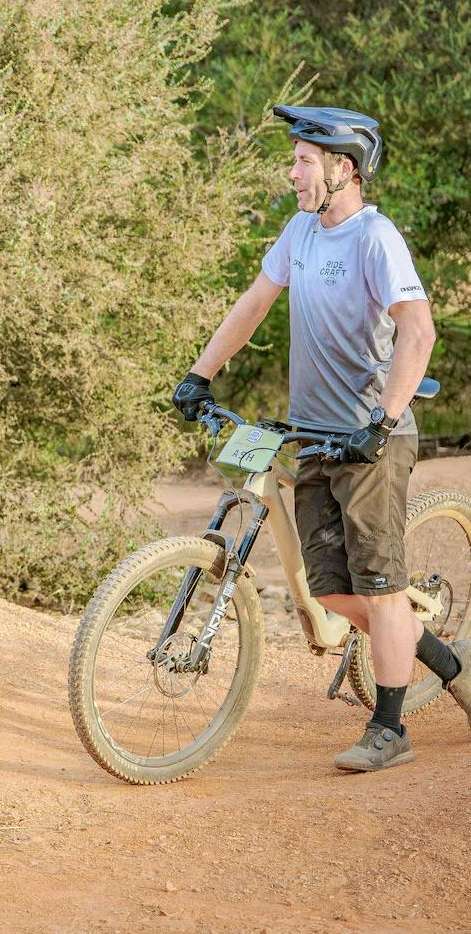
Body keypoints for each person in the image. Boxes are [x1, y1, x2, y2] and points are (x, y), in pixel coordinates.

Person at [173, 104, 457, 772]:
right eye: (295, 158)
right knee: (330, 593)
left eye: (304, 160)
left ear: (343, 169)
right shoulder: (299, 232)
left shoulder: (374, 238)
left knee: (382, 589)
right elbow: (253, 305)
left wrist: (381, 424)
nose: (293, 171)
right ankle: (443, 658)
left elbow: (419, 332)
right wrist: (198, 374)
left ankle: (390, 728)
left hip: (370, 440)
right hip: (316, 438)